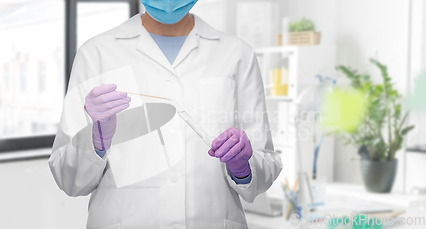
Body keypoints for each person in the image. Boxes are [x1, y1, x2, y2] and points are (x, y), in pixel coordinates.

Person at [49, 0, 283, 228]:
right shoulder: (96, 53)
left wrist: (242, 167)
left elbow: (265, 167)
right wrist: (96, 141)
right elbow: (68, 179)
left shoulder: (237, 54)